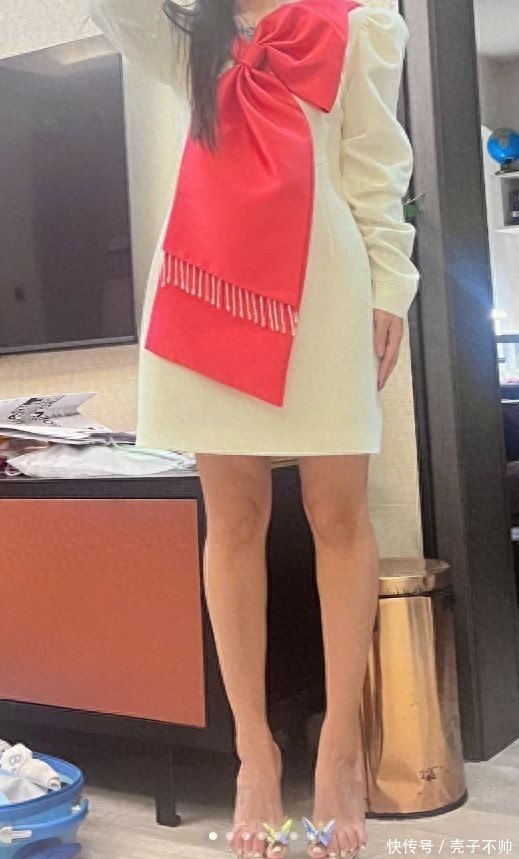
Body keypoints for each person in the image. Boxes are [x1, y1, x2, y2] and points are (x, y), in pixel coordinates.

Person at [88, 0, 420, 857]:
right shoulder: (184, 33)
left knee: (336, 515)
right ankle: (254, 755)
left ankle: (339, 746)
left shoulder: (353, 25)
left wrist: (390, 285)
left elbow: (374, 164)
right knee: (233, 521)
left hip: (324, 289)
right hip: (206, 286)